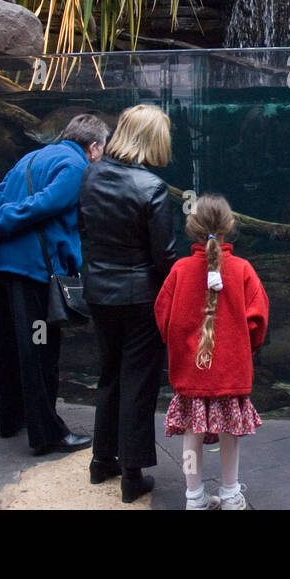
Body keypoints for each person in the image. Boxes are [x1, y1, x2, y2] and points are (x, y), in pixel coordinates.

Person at [0, 113, 110, 456]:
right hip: (33, 273)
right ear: (93, 147)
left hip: (1, 266)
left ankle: (11, 420)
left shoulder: (31, 157)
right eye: (103, 149)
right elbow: (47, 203)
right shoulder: (76, 167)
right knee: (40, 350)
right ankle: (47, 434)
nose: (102, 156)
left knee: (8, 345)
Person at [77, 104, 179, 503]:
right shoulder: (151, 188)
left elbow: (84, 227)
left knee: (110, 374)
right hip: (140, 299)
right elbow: (164, 256)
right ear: (153, 140)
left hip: (99, 292)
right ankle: (132, 475)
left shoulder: (91, 175)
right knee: (139, 381)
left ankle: (102, 460)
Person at [155, 195, 269, 511]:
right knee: (230, 434)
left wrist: (176, 345)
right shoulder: (244, 270)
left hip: (191, 373)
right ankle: (231, 493)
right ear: (229, 227)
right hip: (230, 372)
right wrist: (247, 349)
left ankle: (194, 497)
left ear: (191, 227)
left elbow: (162, 317)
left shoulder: (179, 270)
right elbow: (258, 321)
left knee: (192, 435)